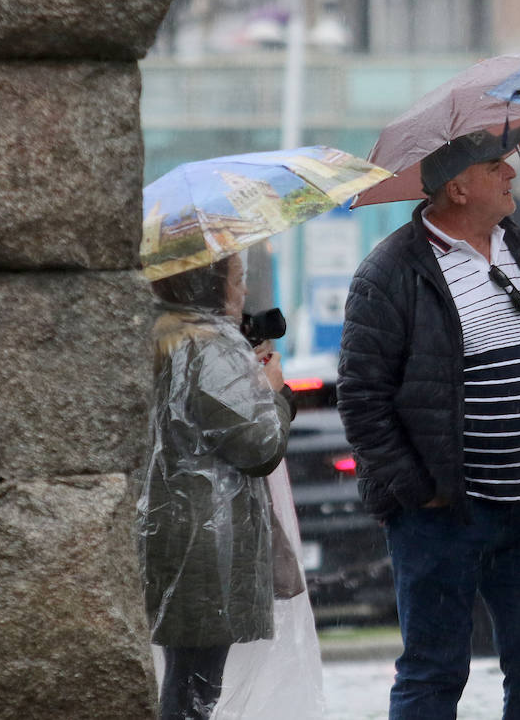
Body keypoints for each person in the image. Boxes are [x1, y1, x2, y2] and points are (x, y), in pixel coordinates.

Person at [337, 127, 520, 719]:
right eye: (495, 166)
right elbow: (361, 400)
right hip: (444, 516)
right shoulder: (390, 274)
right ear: (458, 188)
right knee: (435, 673)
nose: (510, 174)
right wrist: (419, 491)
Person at [138, 253, 296, 720]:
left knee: (184, 676)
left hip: (166, 529)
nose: (242, 292)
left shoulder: (155, 333)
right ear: (209, 284)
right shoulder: (209, 346)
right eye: (237, 280)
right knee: (195, 687)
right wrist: (270, 392)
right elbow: (259, 446)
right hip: (209, 540)